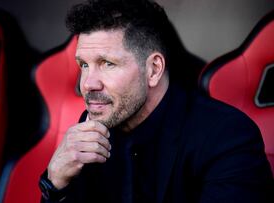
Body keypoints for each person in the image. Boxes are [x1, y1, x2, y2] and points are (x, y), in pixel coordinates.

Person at [38, 0, 274, 202]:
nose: (88, 84)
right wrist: (55, 183)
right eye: (84, 65)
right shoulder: (91, 132)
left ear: (153, 69)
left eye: (107, 63)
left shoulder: (226, 135)